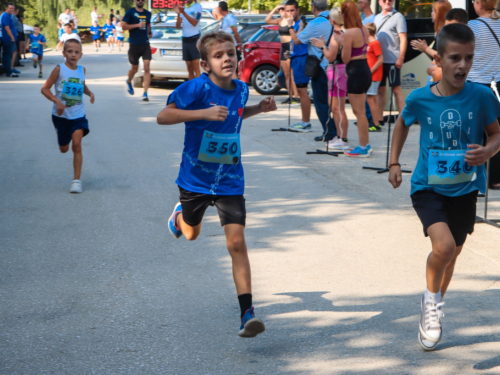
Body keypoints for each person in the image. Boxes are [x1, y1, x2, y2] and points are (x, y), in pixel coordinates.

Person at [157, 30, 277, 338]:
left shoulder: (241, 89)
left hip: (230, 181)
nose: (227, 59)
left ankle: (247, 313)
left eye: (231, 53)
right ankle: (180, 216)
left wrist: (258, 109)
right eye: (219, 55)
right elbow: (163, 116)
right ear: (205, 64)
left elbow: (234, 116)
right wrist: (203, 113)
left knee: (236, 243)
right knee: (191, 235)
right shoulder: (193, 89)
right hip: (194, 180)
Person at [389, 23, 500, 351]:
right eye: (455, 58)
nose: (462, 65)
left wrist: (487, 151)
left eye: (469, 58)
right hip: (427, 186)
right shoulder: (421, 98)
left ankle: (433, 301)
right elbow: (401, 124)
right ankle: (432, 304)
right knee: (444, 248)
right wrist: (395, 163)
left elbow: (496, 133)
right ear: (440, 58)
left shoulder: (481, 96)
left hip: (465, 188)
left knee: (452, 253)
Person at [41, 39, 95, 194]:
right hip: (60, 116)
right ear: (63, 53)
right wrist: (56, 100)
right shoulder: (59, 69)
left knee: (77, 144)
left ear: (81, 55)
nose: (73, 54)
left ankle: (76, 181)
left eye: (76, 52)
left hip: (78, 115)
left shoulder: (82, 70)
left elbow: (81, 84)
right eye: (70, 51)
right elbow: (45, 88)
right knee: (64, 149)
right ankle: (63, 138)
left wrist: (89, 92)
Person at [288, 0, 336, 142]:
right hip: (335, 65)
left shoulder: (315, 24)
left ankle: (329, 132)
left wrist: (291, 26)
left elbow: (297, 41)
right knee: (335, 103)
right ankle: (338, 132)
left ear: (313, 7)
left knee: (321, 102)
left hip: (320, 67)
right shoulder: (334, 19)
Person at [468, 0, 500, 190]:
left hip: (477, 84)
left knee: (475, 133)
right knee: (496, 132)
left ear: (479, 3)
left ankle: (476, 179)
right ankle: (495, 178)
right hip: (498, 84)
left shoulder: (472, 26)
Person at [311, 7, 349, 148]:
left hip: (337, 71)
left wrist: (322, 47)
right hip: (338, 71)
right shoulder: (341, 33)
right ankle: (339, 136)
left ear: (332, 20)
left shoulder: (336, 35)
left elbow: (330, 56)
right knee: (335, 107)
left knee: (338, 108)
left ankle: (342, 139)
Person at [339, 1, 373, 158]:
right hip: (365, 69)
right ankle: (365, 144)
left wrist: (341, 43)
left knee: (358, 112)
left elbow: (345, 58)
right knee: (362, 112)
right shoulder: (364, 29)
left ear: (345, 15)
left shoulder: (349, 33)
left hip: (355, 71)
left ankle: (363, 146)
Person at [374, 0, 407, 124]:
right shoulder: (376, 18)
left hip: (393, 60)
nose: (388, 1)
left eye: (390, 0)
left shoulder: (398, 17)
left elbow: (403, 38)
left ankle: (403, 119)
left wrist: (401, 57)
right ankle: (379, 118)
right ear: (379, 2)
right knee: (380, 90)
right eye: (384, 0)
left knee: (396, 89)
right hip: (379, 61)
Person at [284, 0, 312, 132]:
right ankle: (304, 121)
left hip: (302, 60)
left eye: (292, 10)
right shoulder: (295, 24)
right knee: (301, 91)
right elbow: (295, 43)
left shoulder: (301, 23)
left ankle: (306, 122)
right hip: (297, 58)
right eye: (287, 10)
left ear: (298, 10)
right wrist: (290, 52)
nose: (289, 13)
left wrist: (289, 27)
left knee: (302, 91)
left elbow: (298, 39)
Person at [265, 3, 299, 105]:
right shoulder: (280, 21)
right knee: (286, 74)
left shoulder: (292, 20)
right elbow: (267, 20)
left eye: (283, 9)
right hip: (283, 47)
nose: (281, 11)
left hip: (290, 46)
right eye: (280, 10)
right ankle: (290, 96)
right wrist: (275, 8)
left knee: (292, 74)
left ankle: (296, 97)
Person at [426, 9, 469, 82]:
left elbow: (437, 74)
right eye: (446, 28)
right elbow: (430, 67)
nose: (449, 31)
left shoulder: (467, 45)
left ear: (464, 26)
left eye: (453, 27)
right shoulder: (447, 41)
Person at [122, 0, 152, 101]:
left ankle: (145, 93)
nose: (140, 1)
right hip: (134, 45)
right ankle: (129, 80)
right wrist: (136, 25)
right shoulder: (130, 12)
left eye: (142, 0)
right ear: (135, 1)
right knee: (134, 69)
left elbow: (148, 25)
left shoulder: (148, 13)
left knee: (147, 68)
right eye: (138, 0)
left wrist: (150, 31)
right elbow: (123, 26)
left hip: (145, 44)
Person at [174, 0, 202, 81]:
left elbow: (194, 23)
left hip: (194, 39)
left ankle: (199, 89)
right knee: (189, 68)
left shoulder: (198, 7)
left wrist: (184, 13)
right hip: (185, 39)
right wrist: (179, 13)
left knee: (195, 67)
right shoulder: (183, 8)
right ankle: (191, 88)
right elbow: (178, 26)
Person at [366, 22, 383, 132]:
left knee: (371, 99)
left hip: (373, 76)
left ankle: (375, 123)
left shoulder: (374, 43)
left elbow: (381, 59)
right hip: (371, 75)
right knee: (372, 99)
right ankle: (376, 122)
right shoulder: (370, 44)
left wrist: (370, 71)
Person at [219, 1, 242, 78]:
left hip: (231, 45)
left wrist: (239, 44)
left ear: (220, 8)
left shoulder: (230, 18)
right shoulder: (224, 18)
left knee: (232, 68)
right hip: (224, 45)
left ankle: (235, 85)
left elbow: (235, 32)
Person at [1, 3, 18, 77]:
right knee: (8, 56)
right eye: (10, 8)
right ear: (6, 8)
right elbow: (6, 28)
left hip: (8, 39)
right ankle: (9, 72)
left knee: (7, 55)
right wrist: (12, 37)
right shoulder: (6, 16)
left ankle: (7, 70)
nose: (11, 10)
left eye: (12, 8)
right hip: (8, 39)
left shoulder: (9, 15)